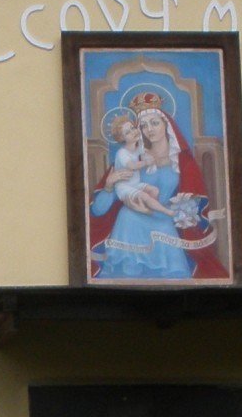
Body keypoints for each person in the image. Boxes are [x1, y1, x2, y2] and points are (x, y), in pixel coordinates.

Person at [87, 89, 229, 280]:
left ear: (167, 124)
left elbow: (195, 204)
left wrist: (186, 209)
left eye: (154, 123)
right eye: (143, 125)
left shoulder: (183, 162)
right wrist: (109, 186)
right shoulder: (131, 158)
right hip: (128, 226)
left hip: (164, 226)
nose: (149, 129)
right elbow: (98, 210)